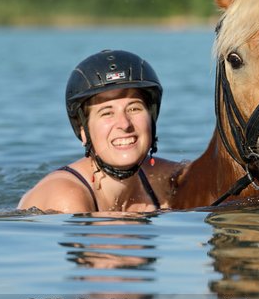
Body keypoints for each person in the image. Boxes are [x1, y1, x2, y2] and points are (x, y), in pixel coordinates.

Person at [18, 49, 180, 213]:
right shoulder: (67, 197)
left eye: (134, 108)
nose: (124, 124)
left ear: (151, 118)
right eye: (107, 113)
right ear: (83, 131)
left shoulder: (164, 177)